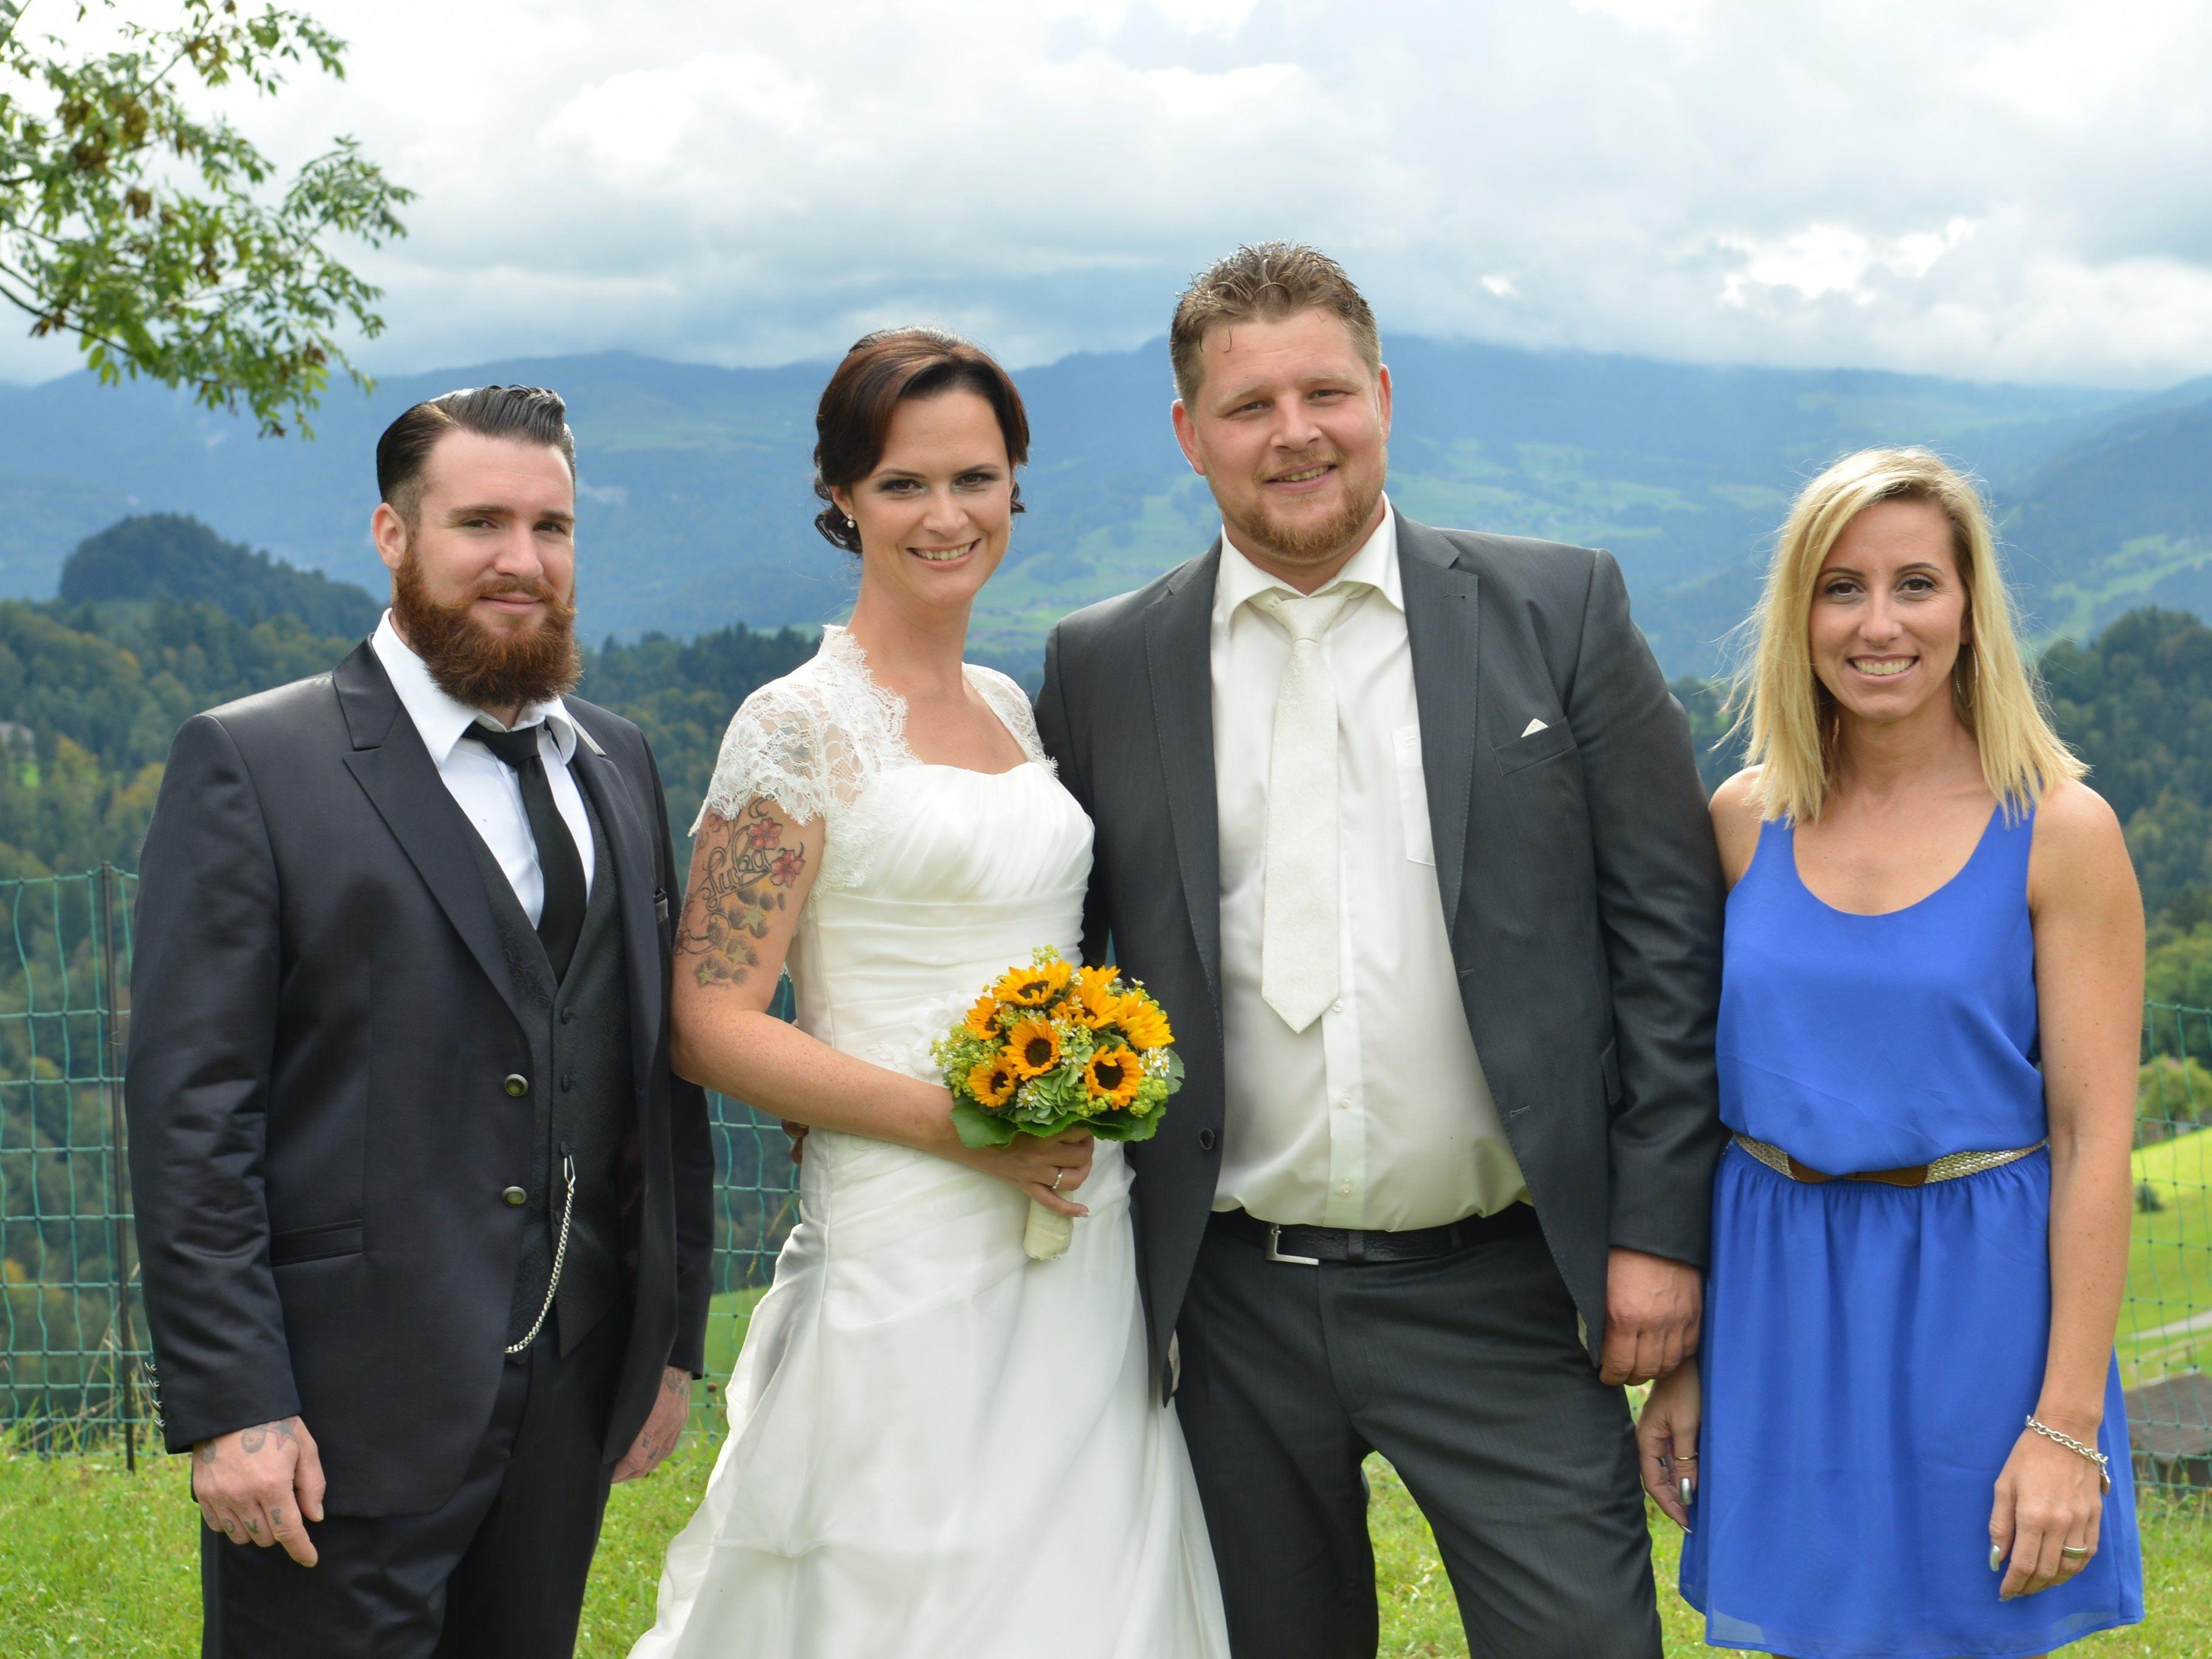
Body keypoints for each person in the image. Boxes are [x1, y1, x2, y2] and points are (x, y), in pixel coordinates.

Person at [1033, 242, 1727, 1659]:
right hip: (1224, 1303)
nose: (1293, 433)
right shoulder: (1103, 661)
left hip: (1507, 1286)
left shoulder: (1558, 609)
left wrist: (1656, 1233)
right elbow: (1070, 955)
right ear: (1187, 434)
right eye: (1246, 406)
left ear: (1383, 397)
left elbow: (1668, 938)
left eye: (1323, 392)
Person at [629, 328, 1229, 1658]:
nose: (944, 515)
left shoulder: (1015, 709)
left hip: (1078, 1229)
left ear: (1016, 484)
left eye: (975, 477)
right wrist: (965, 1127)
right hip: (908, 1229)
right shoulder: (791, 724)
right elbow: (706, 1020)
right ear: (840, 498)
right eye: (902, 484)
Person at [126, 385, 714, 1659]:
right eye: (480, 523)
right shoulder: (252, 763)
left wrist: (665, 1342)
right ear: (393, 537)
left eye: (551, 527)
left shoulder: (617, 763)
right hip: (337, 1415)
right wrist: (235, 1404)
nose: (522, 561)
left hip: (567, 1392)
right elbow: (192, 1114)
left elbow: (655, 1077)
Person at [1640, 447, 2146, 1656]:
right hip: (1775, 1293)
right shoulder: (1739, 823)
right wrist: (1688, 1362)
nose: (1878, 625)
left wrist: (2064, 1423)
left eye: (1914, 584)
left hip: (1978, 1304)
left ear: (1969, 612)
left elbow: (2089, 1140)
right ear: (1796, 614)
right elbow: (1695, 1110)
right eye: (1840, 588)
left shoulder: (2058, 834)